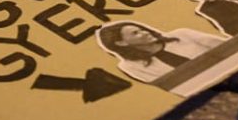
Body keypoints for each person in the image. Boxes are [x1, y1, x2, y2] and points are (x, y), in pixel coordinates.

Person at [97, 21, 226, 83]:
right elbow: (166, 85)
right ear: (121, 43)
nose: (145, 32)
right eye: (135, 33)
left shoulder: (182, 34)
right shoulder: (130, 66)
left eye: (141, 29)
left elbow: (227, 47)